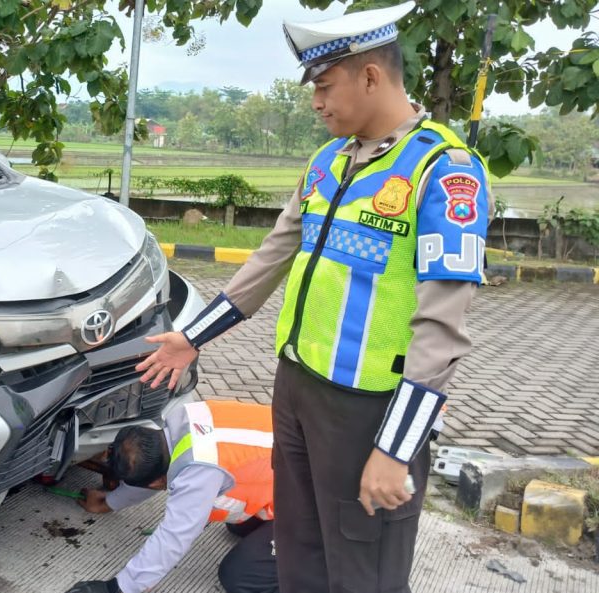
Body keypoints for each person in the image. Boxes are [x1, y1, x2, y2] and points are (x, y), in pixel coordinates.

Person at [133, 2, 493, 592]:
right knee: (299, 552)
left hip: (368, 409)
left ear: (371, 76)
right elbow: (272, 257)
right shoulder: (327, 162)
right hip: (295, 388)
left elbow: (443, 327)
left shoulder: (444, 170)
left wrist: (395, 448)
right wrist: (190, 338)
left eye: (325, 86)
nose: (316, 102)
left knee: (363, 570)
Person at [64, 400, 277, 593]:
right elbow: (153, 469)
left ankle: (308, 565)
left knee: (239, 577)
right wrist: (108, 502)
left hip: (308, 500)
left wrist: (120, 588)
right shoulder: (181, 419)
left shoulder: (200, 471)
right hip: (297, 458)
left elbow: (175, 535)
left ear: (157, 483)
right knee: (239, 525)